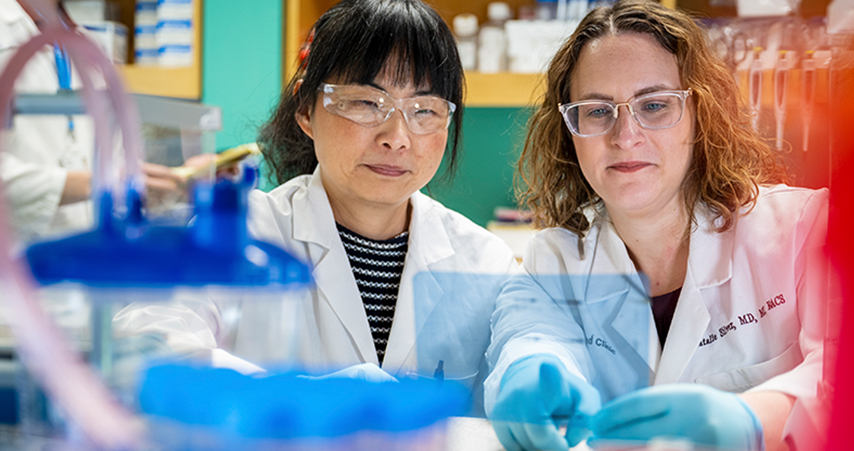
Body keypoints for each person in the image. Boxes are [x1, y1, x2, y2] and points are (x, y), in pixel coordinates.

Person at [114, 0, 518, 413]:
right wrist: (297, 398)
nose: (397, 138)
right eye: (367, 103)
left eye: (425, 110)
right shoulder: (243, 232)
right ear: (306, 109)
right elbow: (146, 344)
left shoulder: (487, 263)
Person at [484, 0, 828, 451]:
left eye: (654, 105)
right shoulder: (555, 261)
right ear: (570, 129)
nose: (625, 136)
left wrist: (754, 420)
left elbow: (842, 371)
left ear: (700, 113)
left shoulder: (803, 230)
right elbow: (529, 337)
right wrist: (527, 371)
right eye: (597, 111)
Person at [0, 0, 189, 245]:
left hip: (83, 253)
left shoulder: (88, 44)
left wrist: (179, 181)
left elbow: (116, 163)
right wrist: (95, 183)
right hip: (16, 255)